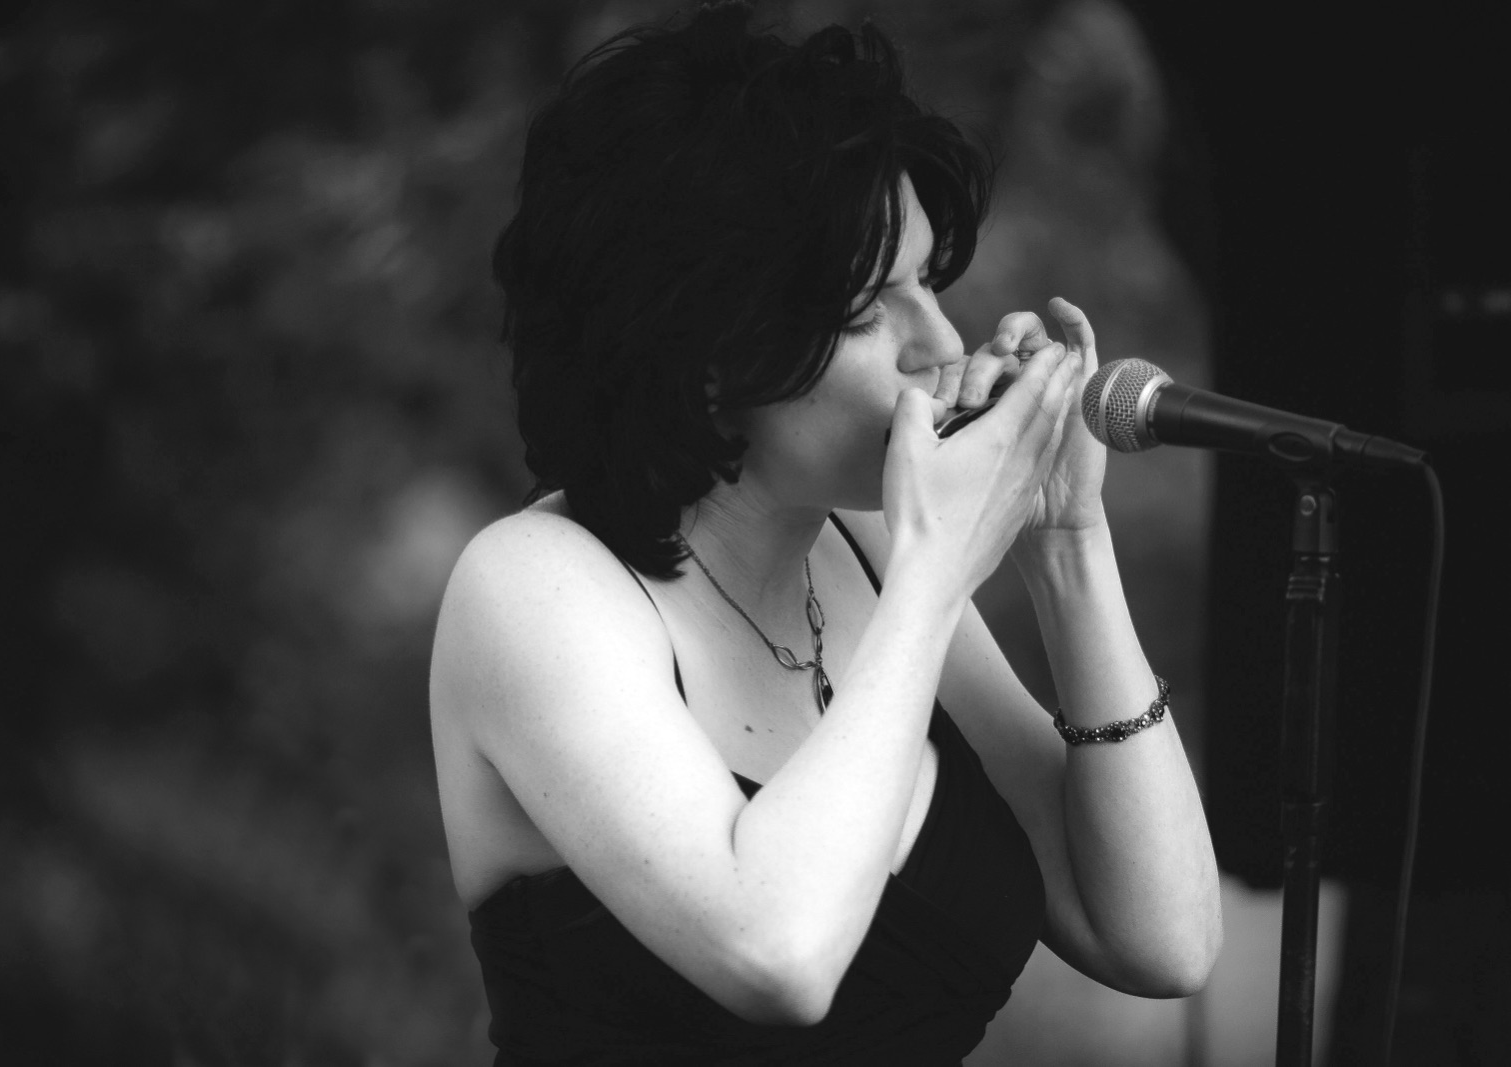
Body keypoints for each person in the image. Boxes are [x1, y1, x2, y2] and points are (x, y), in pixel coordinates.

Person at [429, 3, 1222, 1062]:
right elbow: (779, 954)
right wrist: (936, 578)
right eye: (865, 311)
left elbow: (1158, 937)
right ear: (704, 354)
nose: (936, 343)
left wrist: (1066, 539)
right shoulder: (534, 586)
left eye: (929, 284)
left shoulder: (866, 554)